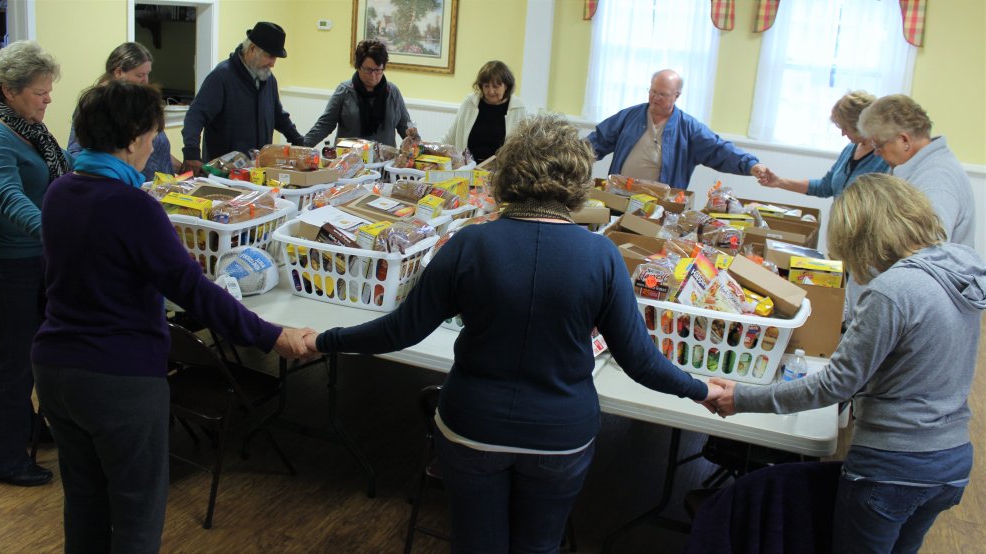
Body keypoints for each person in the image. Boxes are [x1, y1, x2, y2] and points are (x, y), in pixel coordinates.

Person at [302, 114, 721, 552]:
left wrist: (321, 340)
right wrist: (703, 390)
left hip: (472, 425)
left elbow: (399, 331)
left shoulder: (469, 244)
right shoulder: (601, 256)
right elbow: (640, 362)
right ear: (577, 181)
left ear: (509, 172)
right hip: (561, 435)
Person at [31, 80, 314, 553]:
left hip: (55, 369)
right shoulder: (133, 206)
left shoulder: (61, 191)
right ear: (134, 136)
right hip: (117, 378)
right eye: (153, 134)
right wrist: (272, 336)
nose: (154, 145)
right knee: (137, 514)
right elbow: (194, 292)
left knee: (84, 505)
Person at [706, 173, 984, 554]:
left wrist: (744, 398)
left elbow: (834, 385)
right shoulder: (962, 265)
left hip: (893, 466)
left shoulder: (893, 290)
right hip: (950, 463)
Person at [0, 40, 71, 487]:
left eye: (48, 90)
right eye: (40, 92)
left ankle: (29, 428)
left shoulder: (29, 126)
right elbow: (10, 198)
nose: (48, 99)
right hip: (2, 259)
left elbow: (61, 170)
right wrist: (62, 237)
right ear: (8, 90)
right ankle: (3, 459)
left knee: (36, 350)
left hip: (32, 254)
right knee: (14, 359)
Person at [587, 69, 768, 189]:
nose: (655, 97)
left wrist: (751, 165)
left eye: (662, 94)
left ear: (677, 95)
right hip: (619, 195)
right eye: (652, 91)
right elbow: (598, 140)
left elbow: (719, 149)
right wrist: (569, 156)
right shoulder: (629, 116)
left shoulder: (688, 128)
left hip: (659, 205)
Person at [180, 22, 306, 175]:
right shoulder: (222, 77)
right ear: (252, 49)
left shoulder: (268, 79)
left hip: (257, 171)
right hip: (223, 173)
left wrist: (301, 143)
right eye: (270, 56)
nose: (273, 64)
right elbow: (195, 116)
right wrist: (191, 153)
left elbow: (278, 116)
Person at [858, 93, 975, 248]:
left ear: (904, 140)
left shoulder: (938, 179)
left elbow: (925, 250)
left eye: (879, 145)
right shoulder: (912, 166)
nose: (876, 153)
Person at [68, 42, 180, 181]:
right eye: (140, 75)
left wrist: (180, 167)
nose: (145, 81)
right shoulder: (97, 105)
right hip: (129, 188)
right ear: (119, 72)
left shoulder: (140, 104)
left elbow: (156, 150)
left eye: (147, 74)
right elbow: (76, 152)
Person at [758, 91, 888, 197]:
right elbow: (824, 187)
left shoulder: (884, 158)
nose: (843, 133)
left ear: (861, 125)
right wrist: (780, 182)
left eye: (846, 128)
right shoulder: (850, 149)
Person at [301, 39, 413, 148]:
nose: (373, 76)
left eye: (378, 70)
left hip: (384, 162)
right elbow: (324, 125)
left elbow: (406, 128)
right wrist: (300, 147)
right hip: (348, 162)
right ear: (358, 67)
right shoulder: (344, 92)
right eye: (368, 70)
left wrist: (420, 150)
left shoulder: (393, 92)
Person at [442, 60, 527, 163]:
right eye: (486, 86)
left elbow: (524, 150)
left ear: (506, 86)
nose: (491, 91)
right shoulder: (470, 103)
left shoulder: (518, 108)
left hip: (500, 173)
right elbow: (450, 138)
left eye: (496, 86)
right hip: (468, 168)